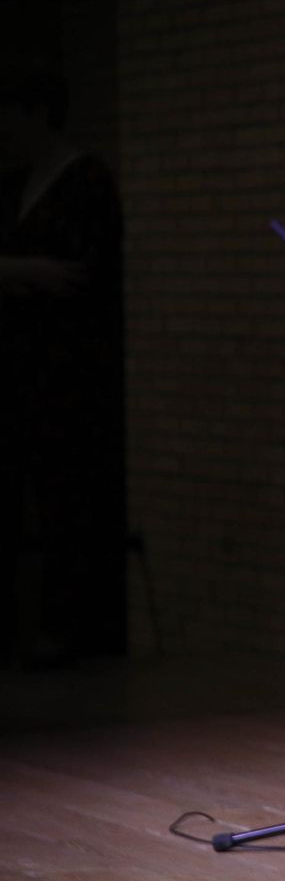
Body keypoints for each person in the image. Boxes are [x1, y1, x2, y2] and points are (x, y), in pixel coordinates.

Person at [0, 66, 125, 667]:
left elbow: (80, 276)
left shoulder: (87, 182)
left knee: (65, 497)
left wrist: (18, 273)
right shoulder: (13, 184)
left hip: (69, 374)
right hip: (18, 367)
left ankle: (71, 630)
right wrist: (25, 272)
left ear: (37, 114)